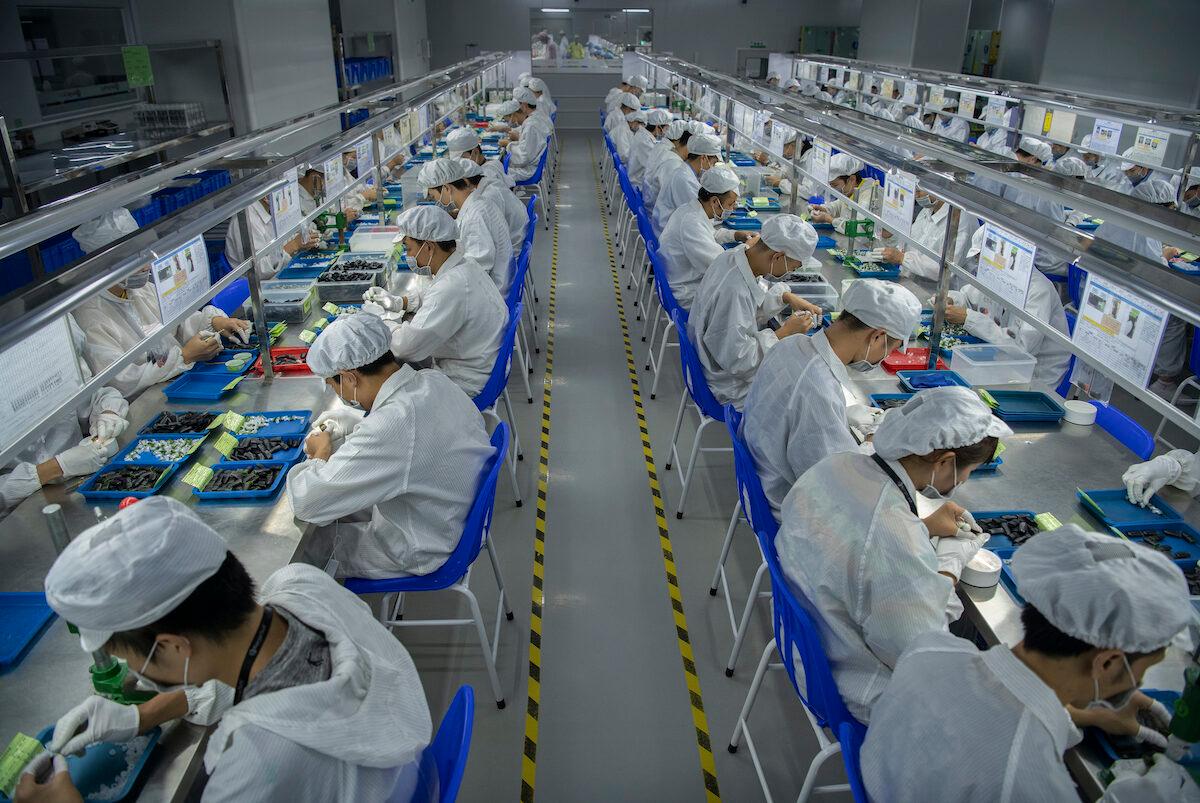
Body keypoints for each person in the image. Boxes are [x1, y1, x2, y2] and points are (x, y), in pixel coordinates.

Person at [25, 497, 431, 802]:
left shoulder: (252, 764)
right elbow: (251, 669)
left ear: (171, 646)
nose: (129, 669)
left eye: (126, 655)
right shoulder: (300, 585)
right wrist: (149, 712)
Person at [860, 525, 1195, 802]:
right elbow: (1009, 753)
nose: (1138, 682)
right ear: (1107, 663)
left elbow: (995, 716)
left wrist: (1085, 716)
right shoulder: (1032, 785)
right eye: (1142, 670)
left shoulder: (930, 651)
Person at [777, 386, 1011, 721]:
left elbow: (855, 536)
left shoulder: (837, 464)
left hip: (802, 635)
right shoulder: (894, 537)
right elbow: (920, 651)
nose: (964, 481)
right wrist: (949, 563)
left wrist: (923, 527)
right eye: (967, 472)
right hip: (851, 684)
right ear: (945, 462)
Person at [287, 314, 494, 579]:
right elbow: (402, 438)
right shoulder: (432, 380)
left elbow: (307, 502)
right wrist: (353, 425)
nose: (336, 395)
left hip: (423, 546)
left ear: (349, 378)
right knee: (343, 502)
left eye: (333, 385)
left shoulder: (392, 426)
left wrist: (320, 455)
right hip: (450, 514)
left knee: (313, 544)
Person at [742, 280, 922, 512]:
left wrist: (842, 417)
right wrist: (872, 443)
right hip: (785, 503)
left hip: (761, 473)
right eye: (891, 348)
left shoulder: (793, 344)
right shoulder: (819, 389)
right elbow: (839, 487)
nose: (884, 357)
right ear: (877, 336)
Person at [71, 210, 249, 399]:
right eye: (133, 259)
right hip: (142, 402)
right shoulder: (91, 317)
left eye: (143, 254)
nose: (147, 266)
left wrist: (214, 321)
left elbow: (178, 320)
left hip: (177, 381)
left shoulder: (141, 289)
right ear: (104, 265)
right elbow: (122, 382)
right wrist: (184, 356)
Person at [360, 206, 506, 397]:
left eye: (408, 248)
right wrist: (398, 302)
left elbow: (406, 347)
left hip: (464, 382)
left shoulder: (453, 286)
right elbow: (433, 294)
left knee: (381, 387)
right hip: (479, 362)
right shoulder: (464, 265)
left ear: (428, 246)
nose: (408, 256)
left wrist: (382, 322)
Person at [686, 215, 825, 407]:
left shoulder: (736, 257)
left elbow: (747, 311)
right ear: (778, 256)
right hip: (727, 383)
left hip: (715, 356)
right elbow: (739, 360)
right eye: (793, 266)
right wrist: (785, 332)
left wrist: (785, 297)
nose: (791, 273)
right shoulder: (735, 290)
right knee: (803, 393)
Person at [1, 316, 128, 519]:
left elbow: (96, 395)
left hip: (82, 487)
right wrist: (54, 468)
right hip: (19, 519)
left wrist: (108, 414)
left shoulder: (48, 353)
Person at [942, 226, 1072, 389]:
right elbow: (969, 298)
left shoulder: (1038, 291)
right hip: (998, 359)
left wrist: (969, 318)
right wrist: (951, 300)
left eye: (983, 258)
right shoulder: (997, 276)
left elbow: (1021, 346)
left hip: (1034, 376)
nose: (979, 263)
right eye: (978, 258)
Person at [658, 166, 751, 310]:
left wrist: (736, 235)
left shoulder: (692, 210)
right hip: (687, 294)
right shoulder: (691, 223)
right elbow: (721, 266)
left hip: (686, 280)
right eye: (730, 204)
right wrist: (749, 249)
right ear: (714, 201)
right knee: (743, 303)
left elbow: (709, 234)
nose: (732, 209)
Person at [419, 158, 514, 297]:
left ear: (446, 188)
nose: (436, 203)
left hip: (492, 292)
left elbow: (478, 270)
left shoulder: (475, 216)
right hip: (495, 280)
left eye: (434, 197)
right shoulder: (477, 204)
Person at [446, 127, 528, 251]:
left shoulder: (488, 178)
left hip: (511, 245)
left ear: (474, 152)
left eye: (462, 159)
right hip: (513, 235)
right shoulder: (490, 168)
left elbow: (484, 226)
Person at [875, 190, 975, 281]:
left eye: (920, 190)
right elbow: (909, 243)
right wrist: (889, 236)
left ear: (940, 186)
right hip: (910, 281)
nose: (916, 194)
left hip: (937, 293)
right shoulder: (927, 210)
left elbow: (944, 269)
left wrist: (903, 259)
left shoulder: (960, 221)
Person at [653, 133, 722, 232]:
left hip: (669, 226)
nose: (713, 167)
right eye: (713, 163)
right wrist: (721, 211)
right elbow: (701, 215)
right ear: (703, 158)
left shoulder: (686, 172)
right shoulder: (684, 179)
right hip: (666, 232)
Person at [810, 154, 882, 235]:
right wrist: (823, 209)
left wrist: (829, 219)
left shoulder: (871, 194)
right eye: (831, 185)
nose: (833, 188)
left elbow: (858, 228)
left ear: (852, 179)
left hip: (867, 244)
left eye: (835, 185)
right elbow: (838, 205)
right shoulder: (850, 190)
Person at [499, 94, 552, 183]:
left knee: (496, 173)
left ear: (513, 115)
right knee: (498, 167)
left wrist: (508, 144)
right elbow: (527, 147)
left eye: (509, 119)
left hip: (528, 170)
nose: (512, 122)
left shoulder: (530, 126)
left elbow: (523, 157)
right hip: (532, 165)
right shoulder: (530, 122)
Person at [642, 120, 691, 206]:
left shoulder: (662, 146)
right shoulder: (671, 159)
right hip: (653, 207)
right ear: (679, 140)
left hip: (648, 195)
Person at [626, 108, 672, 186]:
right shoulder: (645, 142)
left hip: (640, 177)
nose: (666, 132)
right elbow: (654, 167)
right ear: (658, 127)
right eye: (666, 128)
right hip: (638, 183)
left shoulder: (644, 136)